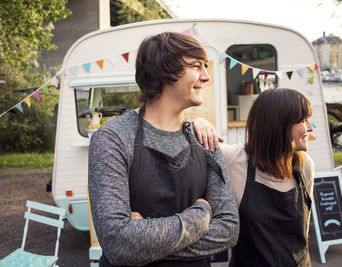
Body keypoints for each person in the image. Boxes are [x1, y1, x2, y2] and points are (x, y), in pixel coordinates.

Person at [88, 32, 239, 267]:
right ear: (164, 71)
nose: (206, 77)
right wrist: (200, 214)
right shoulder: (112, 139)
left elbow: (228, 229)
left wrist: (142, 242)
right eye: (197, 66)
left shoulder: (205, 140)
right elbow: (117, 243)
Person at [193, 88, 315, 267]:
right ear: (279, 125)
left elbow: (303, 232)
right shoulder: (235, 160)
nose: (310, 128)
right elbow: (180, 138)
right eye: (303, 120)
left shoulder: (305, 166)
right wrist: (198, 122)